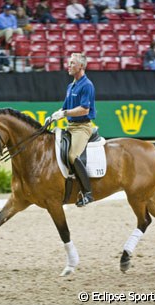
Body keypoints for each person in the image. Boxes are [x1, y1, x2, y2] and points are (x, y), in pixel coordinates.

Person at [50, 53, 96, 207]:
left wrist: (64, 113)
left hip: (82, 128)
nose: (68, 66)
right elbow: (64, 108)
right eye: (69, 63)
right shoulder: (71, 86)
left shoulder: (87, 85)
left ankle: (88, 193)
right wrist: (53, 116)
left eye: (72, 63)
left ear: (81, 66)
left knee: (72, 155)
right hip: (70, 126)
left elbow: (84, 109)